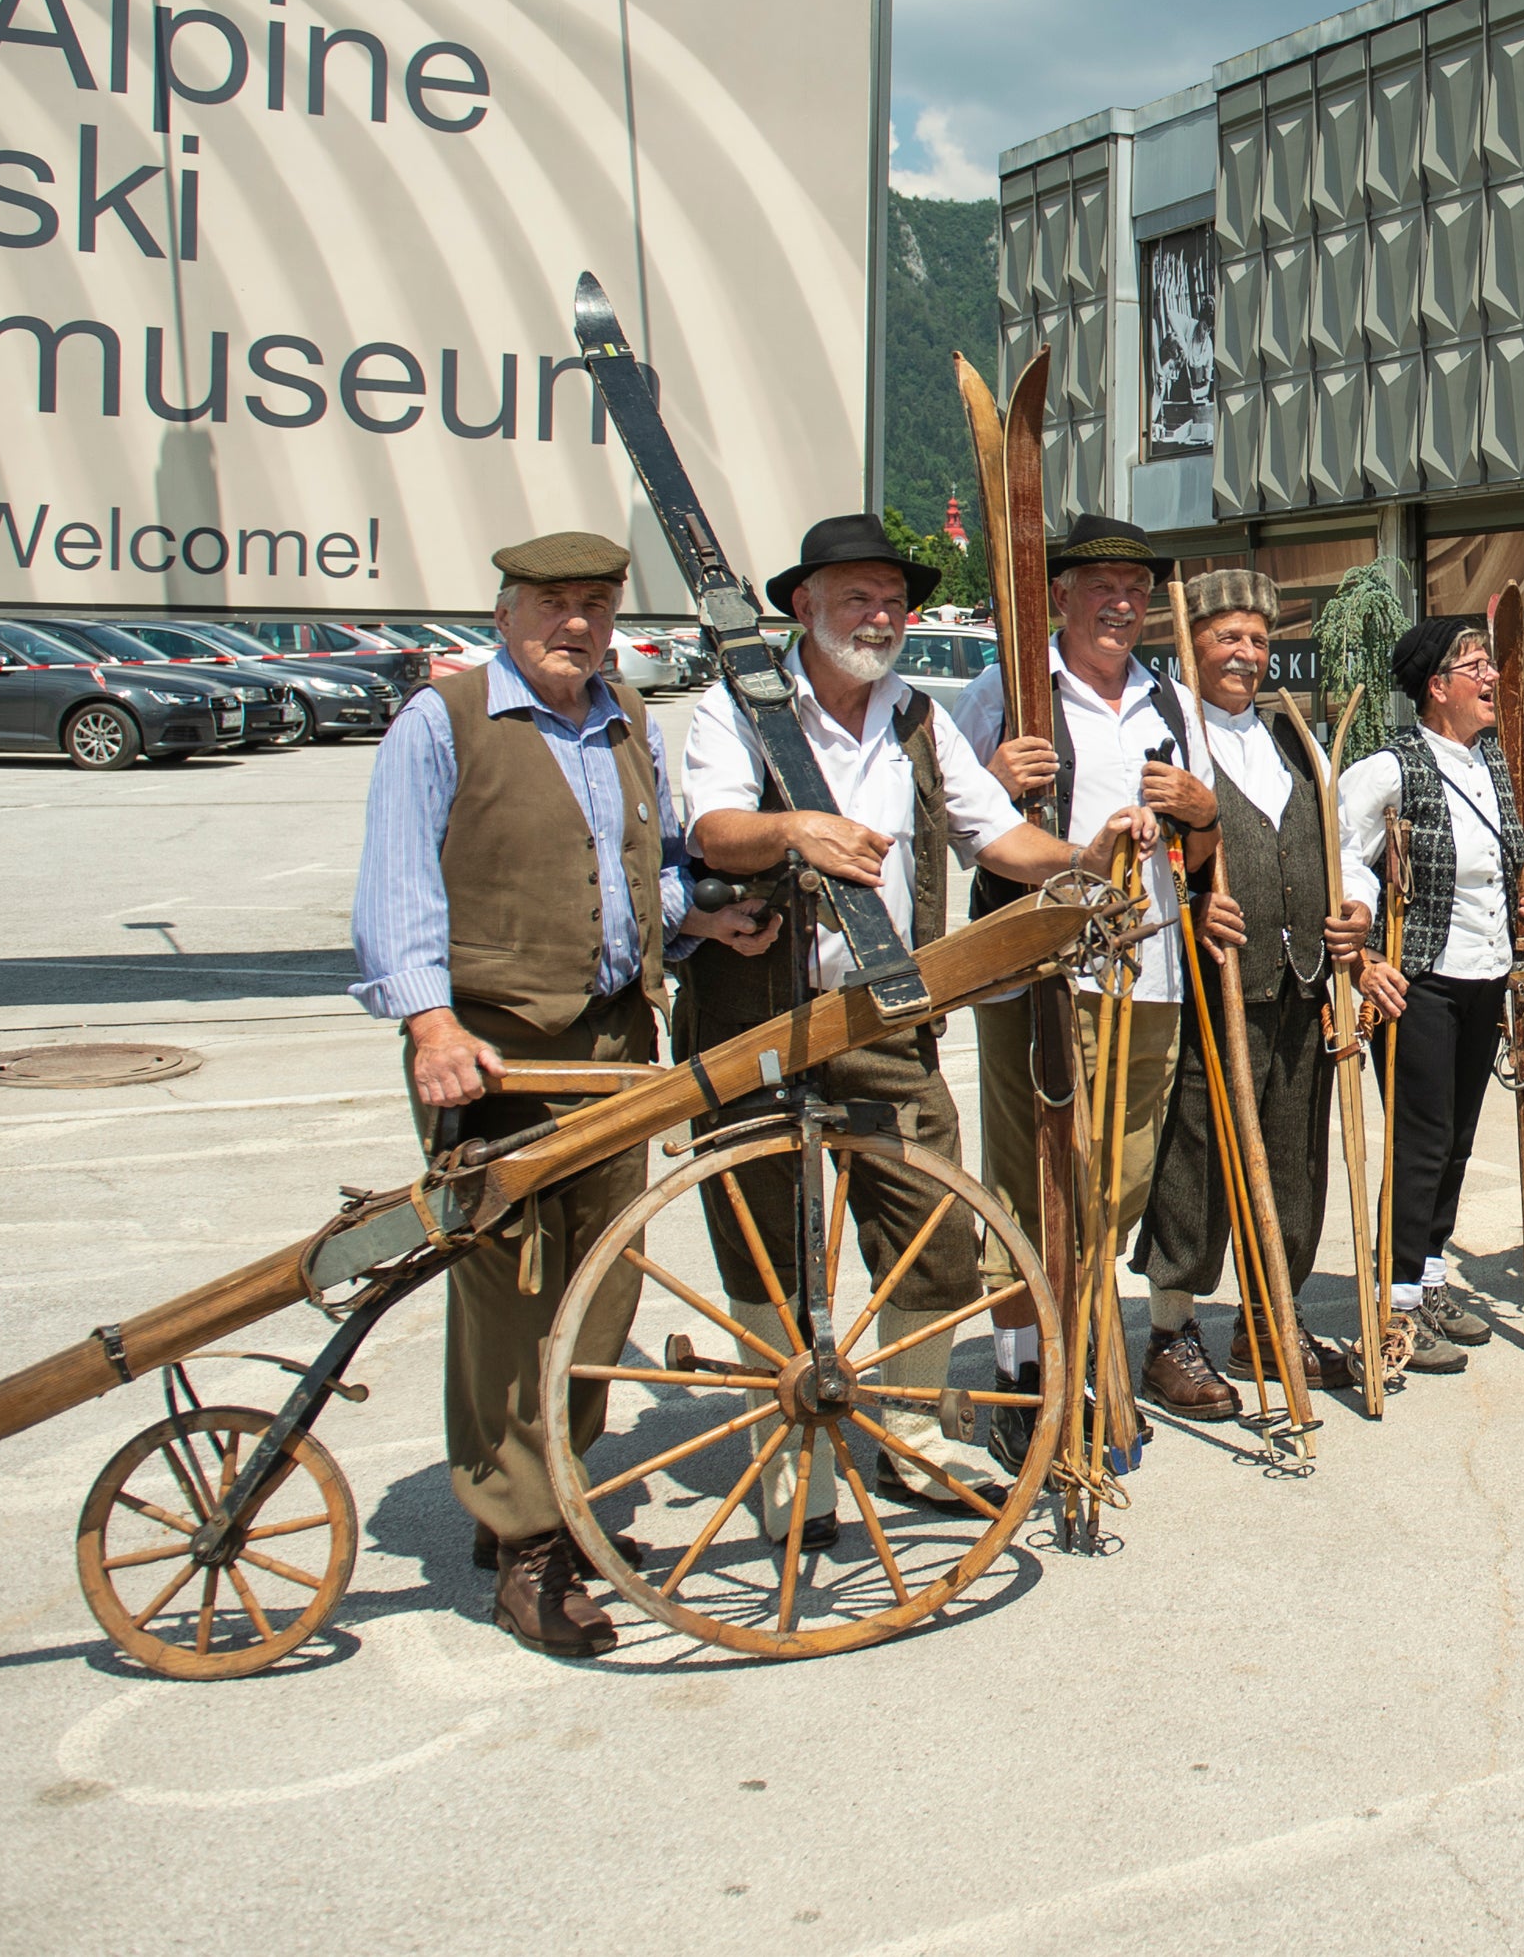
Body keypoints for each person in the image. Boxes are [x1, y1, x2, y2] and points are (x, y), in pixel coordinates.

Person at [350, 532, 778, 1658]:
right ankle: (523, 1540)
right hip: (494, 1048)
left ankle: (562, 1497)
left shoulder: (625, 718)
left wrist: (702, 916)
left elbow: (643, 873)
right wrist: (430, 1023)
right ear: (506, 610)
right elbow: (395, 887)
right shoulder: (443, 723)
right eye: (553, 603)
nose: (575, 625)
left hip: (611, 1042)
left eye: (594, 603)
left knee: (599, 1281)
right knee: (509, 1287)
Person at [681, 514, 1138, 1536]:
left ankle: (910, 1435)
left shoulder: (915, 719)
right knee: (767, 1236)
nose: (880, 615)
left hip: (884, 1013)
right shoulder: (740, 709)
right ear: (803, 606)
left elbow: (996, 833)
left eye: (892, 598)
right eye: (857, 597)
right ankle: (789, 1455)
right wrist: (792, 827)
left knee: (930, 1225)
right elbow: (711, 826)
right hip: (756, 1012)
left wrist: (1086, 855)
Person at [946, 514, 1211, 1445]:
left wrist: (1202, 810)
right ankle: (1025, 1380)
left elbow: (1207, 832)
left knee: (1121, 1175)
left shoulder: (1171, 702)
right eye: (1101, 585)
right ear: (1058, 596)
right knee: (1031, 1177)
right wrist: (989, 770)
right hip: (1039, 972)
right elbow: (949, 817)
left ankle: (1086, 1343)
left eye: (1135, 589)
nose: (1122, 602)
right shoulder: (1007, 693)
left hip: (1154, 968)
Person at [1134, 569, 1365, 1417]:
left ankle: (1269, 1319)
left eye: (1260, 640)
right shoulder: (1164, 730)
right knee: (1194, 1156)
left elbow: (1337, 845)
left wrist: (1350, 913)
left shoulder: (1288, 736)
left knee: (1296, 1156)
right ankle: (1171, 1334)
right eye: (1228, 635)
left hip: (1302, 981)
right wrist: (1192, 906)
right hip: (1212, 987)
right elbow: (1142, 850)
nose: (1247, 653)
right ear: (1189, 641)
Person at [1346, 618, 1524, 1368]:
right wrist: (1366, 954)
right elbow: (1344, 856)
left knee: (1459, 1141)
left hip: (1483, 975)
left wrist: (1519, 902)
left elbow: (1493, 864)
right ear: (1438, 688)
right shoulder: (1391, 767)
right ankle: (1396, 1305)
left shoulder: (1490, 759)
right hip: (1421, 979)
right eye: (1475, 667)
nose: (1491, 678)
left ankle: (1429, 1276)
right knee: (1421, 1143)